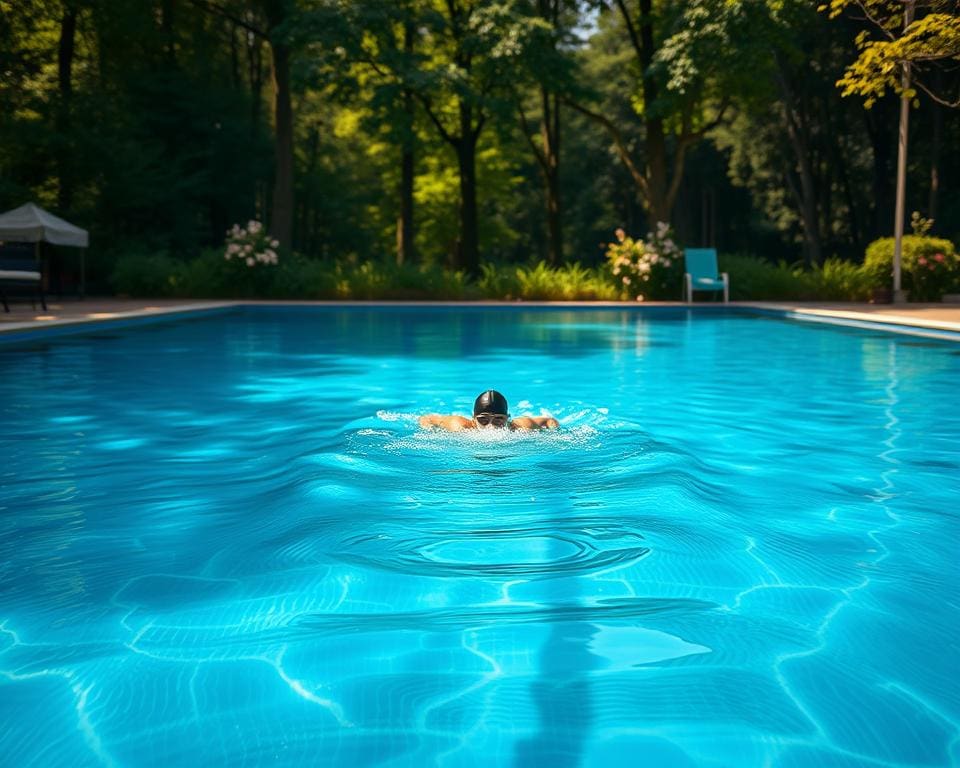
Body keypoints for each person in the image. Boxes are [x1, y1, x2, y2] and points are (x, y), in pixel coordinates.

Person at [419, 390, 558, 432]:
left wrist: (554, 432)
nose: (491, 426)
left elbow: (549, 420)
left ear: (508, 418)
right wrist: (429, 431)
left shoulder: (521, 426)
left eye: (498, 420)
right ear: (473, 419)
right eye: (483, 420)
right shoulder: (459, 426)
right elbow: (427, 418)